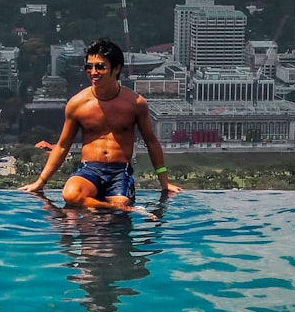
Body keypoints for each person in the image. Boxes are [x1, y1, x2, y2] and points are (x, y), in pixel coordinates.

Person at [19, 38, 181, 210]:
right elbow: (62, 146)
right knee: (70, 194)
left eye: (100, 67)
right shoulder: (77, 103)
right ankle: (118, 208)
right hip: (89, 169)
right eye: (89, 67)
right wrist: (40, 182)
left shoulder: (135, 103)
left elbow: (151, 142)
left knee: (120, 205)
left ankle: (117, 207)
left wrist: (165, 183)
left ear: (116, 68)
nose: (93, 72)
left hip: (120, 171)